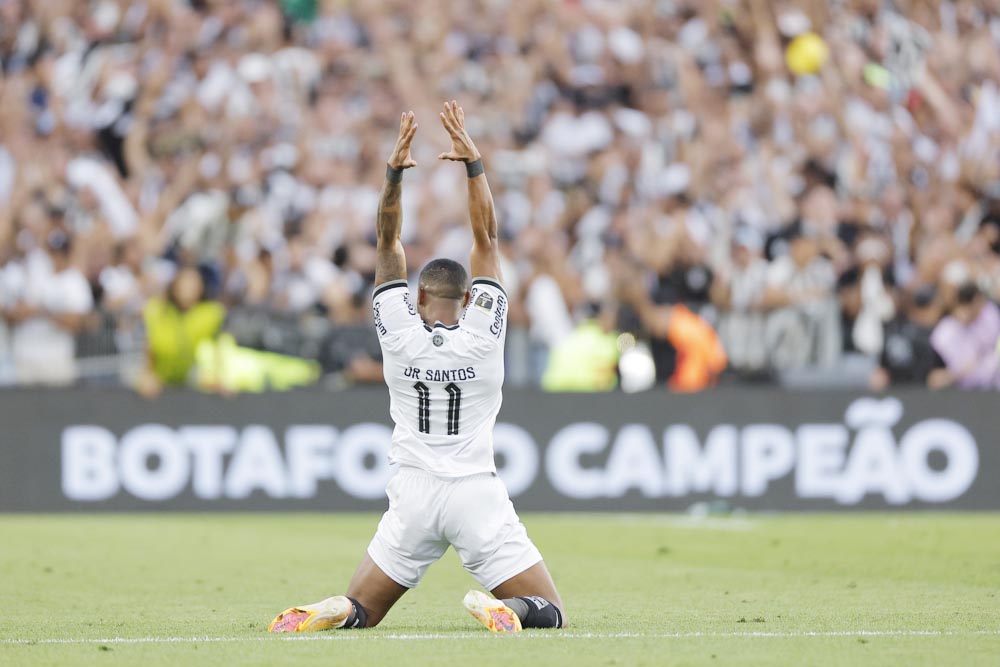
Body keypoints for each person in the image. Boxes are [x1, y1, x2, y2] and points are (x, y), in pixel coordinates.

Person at [268, 103, 565, 634]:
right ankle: (506, 609)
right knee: (550, 612)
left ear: (419, 295)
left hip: (413, 493)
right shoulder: (483, 333)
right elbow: (487, 239)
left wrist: (393, 175)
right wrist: (473, 165)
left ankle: (334, 608)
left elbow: (387, 241)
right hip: (474, 491)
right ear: (471, 297)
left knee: (364, 611)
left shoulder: (398, 333)